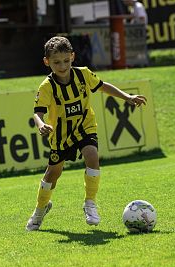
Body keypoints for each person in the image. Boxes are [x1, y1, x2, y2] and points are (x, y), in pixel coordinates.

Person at [26, 36, 147, 231]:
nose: (62, 66)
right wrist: (40, 124)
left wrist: (127, 97)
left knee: (92, 155)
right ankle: (40, 210)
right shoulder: (46, 87)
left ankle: (90, 203)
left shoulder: (83, 74)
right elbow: (38, 112)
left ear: (73, 57)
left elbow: (103, 86)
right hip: (61, 135)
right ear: (47, 62)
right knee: (52, 174)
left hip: (85, 126)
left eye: (66, 60)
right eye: (56, 62)